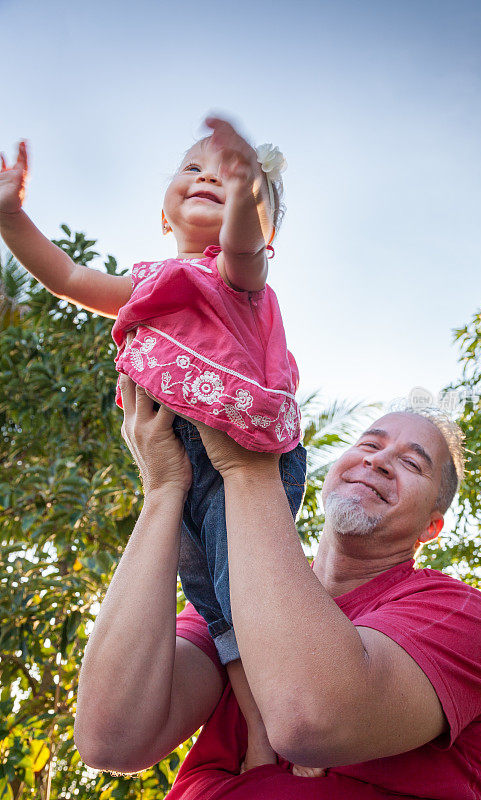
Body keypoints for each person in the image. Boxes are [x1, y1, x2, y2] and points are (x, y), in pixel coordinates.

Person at [0, 118, 307, 772]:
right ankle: (257, 727)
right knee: (210, 602)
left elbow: (246, 247)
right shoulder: (150, 285)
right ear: (163, 214)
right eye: (193, 169)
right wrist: (10, 220)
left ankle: (286, 717)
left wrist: (251, 194)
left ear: (263, 228)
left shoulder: (235, 278)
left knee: (243, 591)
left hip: (244, 467)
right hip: (180, 460)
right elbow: (69, 276)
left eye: (229, 176)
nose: (207, 178)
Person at [74, 379, 481, 800]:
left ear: (431, 527)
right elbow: (111, 738)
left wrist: (249, 468)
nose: (378, 461)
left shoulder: (459, 613)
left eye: (411, 463)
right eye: (369, 444)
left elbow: (313, 719)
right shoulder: (238, 588)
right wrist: (164, 489)